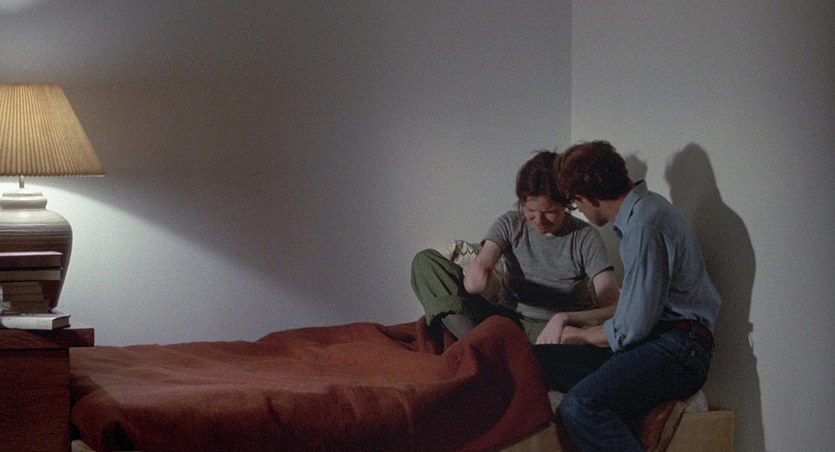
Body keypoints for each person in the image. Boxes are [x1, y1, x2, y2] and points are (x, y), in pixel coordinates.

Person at [541, 140, 721, 451]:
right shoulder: (642, 214)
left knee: (580, 405)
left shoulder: (645, 225)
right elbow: (633, 311)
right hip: (656, 341)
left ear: (586, 198)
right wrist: (572, 327)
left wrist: (582, 336)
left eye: (576, 204)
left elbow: (631, 327)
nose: (580, 210)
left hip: (680, 349)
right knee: (539, 360)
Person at [410, 150, 620, 345]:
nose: (539, 220)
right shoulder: (511, 223)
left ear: (566, 204)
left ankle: (486, 351)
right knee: (425, 261)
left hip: (551, 329)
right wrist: (479, 272)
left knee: (587, 339)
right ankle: (476, 346)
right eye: (530, 211)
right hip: (505, 319)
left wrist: (564, 318)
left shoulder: (585, 237)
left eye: (549, 212)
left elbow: (611, 306)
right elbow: (479, 275)